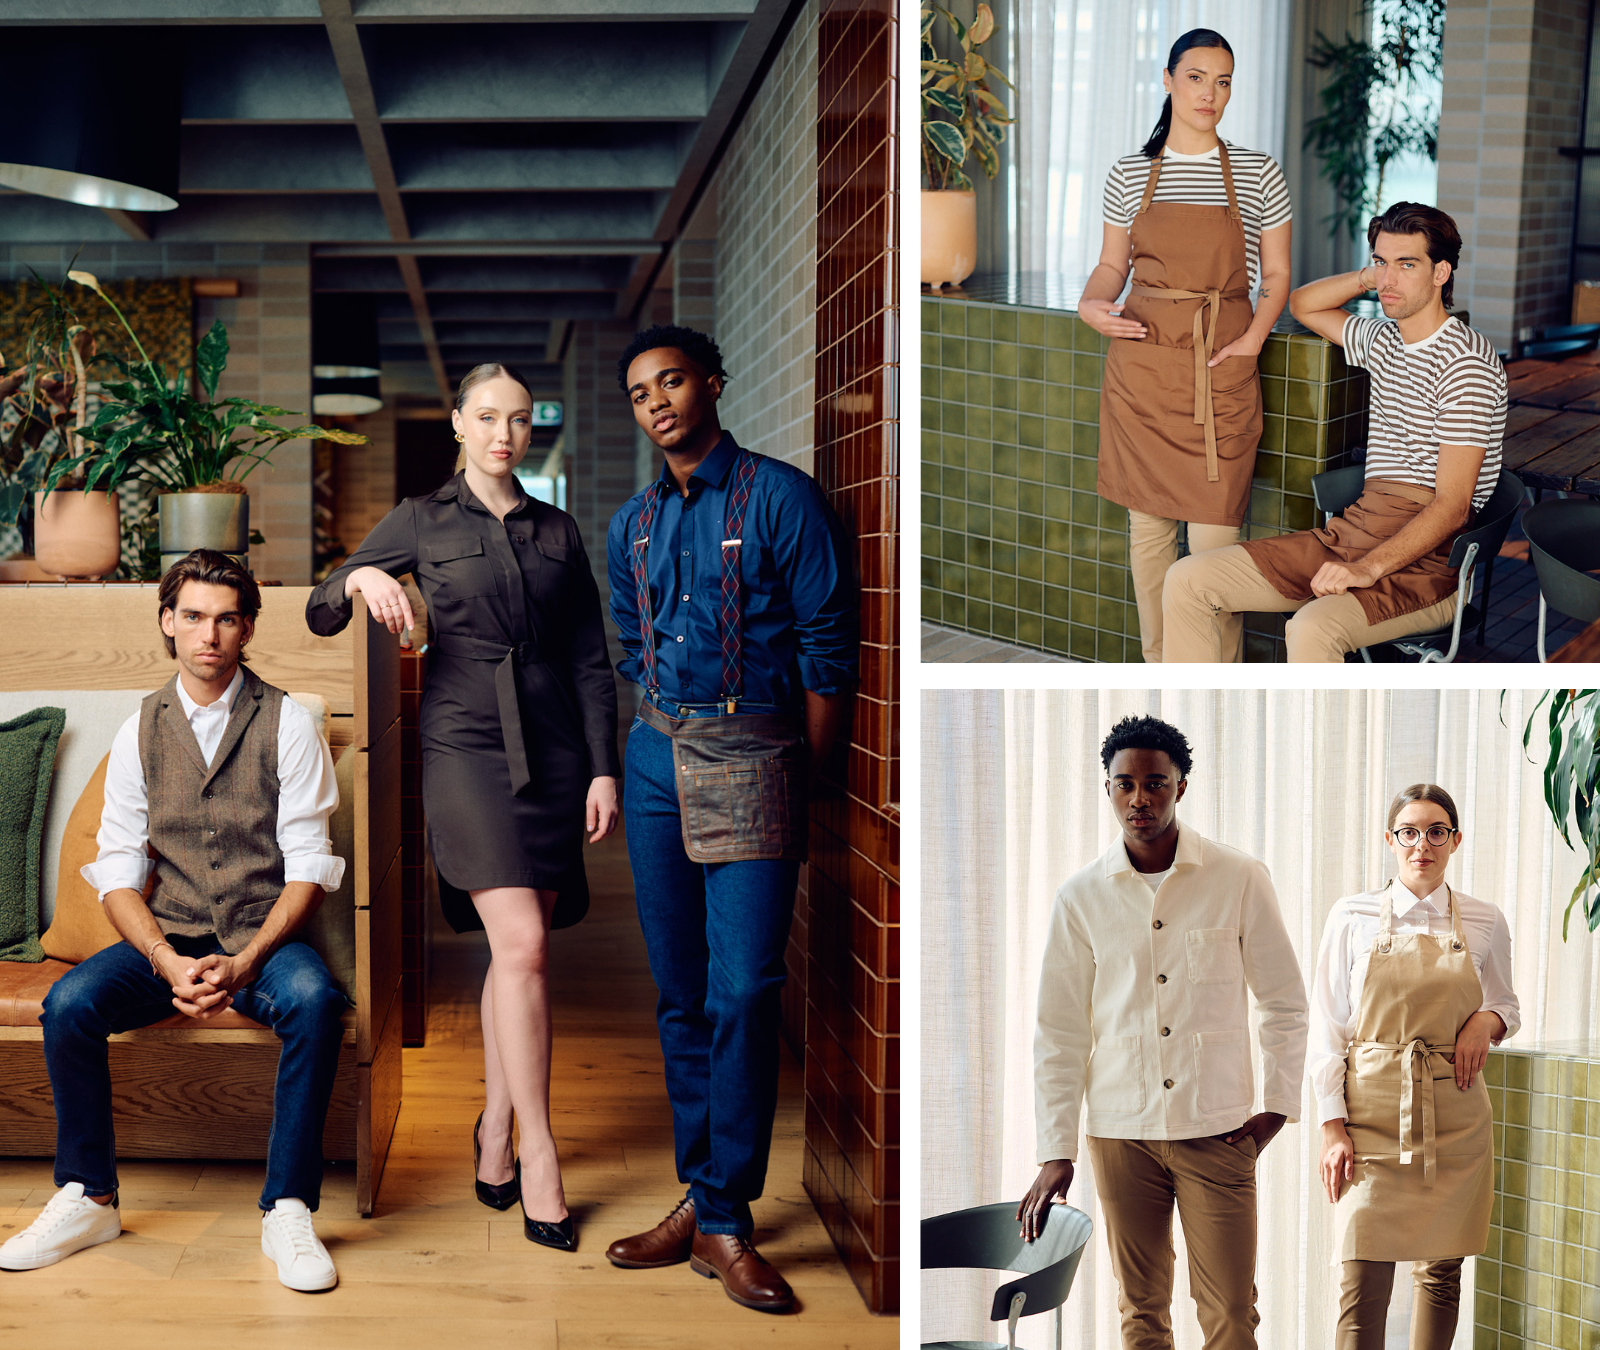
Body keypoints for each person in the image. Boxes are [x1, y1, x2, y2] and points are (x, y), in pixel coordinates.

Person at [305, 362, 620, 1253]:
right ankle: (542, 1154)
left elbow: (593, 660)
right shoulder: (421, 518)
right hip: (463, 746)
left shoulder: (558, 529)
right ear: (458, 423)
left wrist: (602, 769)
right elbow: (323, 610)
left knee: (513, 958)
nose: (503, 435)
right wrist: (364, 578)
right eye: (487, 418)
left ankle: (492, 1129)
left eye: (518, 421)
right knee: (520, 946)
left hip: (555, 748)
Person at [2, 551, 348, 1291]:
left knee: (316, 1003)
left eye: (226, 618)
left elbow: (309, 866)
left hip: (264, 936)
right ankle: (89, 1196)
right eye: (192, 616)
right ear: (168, 622)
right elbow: (119, 873)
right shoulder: (138, 731)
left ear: (247, 626)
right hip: (172, 939)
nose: (209, 635)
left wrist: (248, 960)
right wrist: (164, 960)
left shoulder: (287, 722)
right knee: (68, 1003)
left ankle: (287, 1207)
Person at [601, 325, 857, 1313]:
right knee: (677, 995)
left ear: (711, 382)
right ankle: (704, 1208)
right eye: (637, 392)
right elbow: (633, 646)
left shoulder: (780, 498)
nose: (656, 400)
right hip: (657, 757)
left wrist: (814, 774)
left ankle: (726, 1214)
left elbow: (830, 647)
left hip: (756, 755)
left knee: (743, 989)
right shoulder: (630, 522)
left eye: (670, 381)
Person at [1017, 715, 1308, 1350]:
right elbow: (1058, 1031)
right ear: (1109, 790)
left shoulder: (1239, 878)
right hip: (1121, 1132)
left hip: (1218, 1128)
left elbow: (1284, 1001)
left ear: (1181, 786)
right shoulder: (1081, 897)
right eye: (1125, 784)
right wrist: (1055, 1149)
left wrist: (1279, 1108)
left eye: (1155, 783)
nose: (1139, 798)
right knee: (1140, 1311)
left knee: (1230, 1310)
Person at [1163, 202, 1507, 662]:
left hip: (1430, 564)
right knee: (1187, 579)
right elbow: (1304, 303)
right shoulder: (1384, 341)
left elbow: (1452, 507)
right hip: (1355, 531)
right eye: (1382, 262)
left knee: (1312, 628)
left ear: (1441, 272)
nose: (1389, 280)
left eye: (1408, 265)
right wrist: (1371, 276)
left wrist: (1366, 568)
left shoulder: (1465, 364)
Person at [1085, 28, 1293, 663]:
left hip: (1220, 364)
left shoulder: (1259, 172)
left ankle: (1215, 679)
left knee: (1213, 554)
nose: (1211, 92)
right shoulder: (1129, 174)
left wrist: (1254, 341)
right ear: (1169, 79)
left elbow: (1278, 275)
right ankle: (1161, 666)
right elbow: (1110, 267)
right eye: (1197, 76)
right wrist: (1089, 304)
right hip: (1143, 368)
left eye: (1223, 80)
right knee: (1149, 543)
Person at [1311, 784, 1519, 1349]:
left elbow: (1507, 1004)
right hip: (1370, 1117)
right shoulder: (1350, 915)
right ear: (1390, 839)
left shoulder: (1483, 920)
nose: (1421, 844)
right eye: (1409, 831)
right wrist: (1333, 1128)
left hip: (1454, 1115)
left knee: (1440, 1276)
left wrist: (1487, 1021)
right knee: (1361, 1278)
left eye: (1435, 831)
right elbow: (1326, 1029)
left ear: (1455, 840)